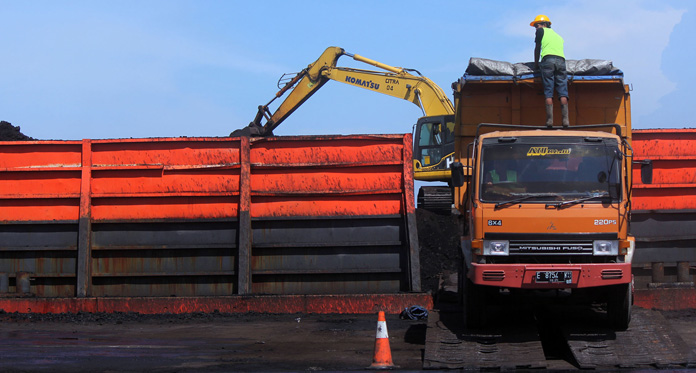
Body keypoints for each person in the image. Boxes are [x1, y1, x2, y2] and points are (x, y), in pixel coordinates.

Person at [531, 14, 569, 128]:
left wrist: (536, 64)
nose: (536, 28)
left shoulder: (540, 32)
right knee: (563, 91)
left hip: (548, 60)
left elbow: (537, 48)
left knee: (549, 91)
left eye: (537, 25)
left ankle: (549, 121)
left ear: (544, 25)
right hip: (561, 62)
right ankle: (566, 121)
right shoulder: (559, 36)